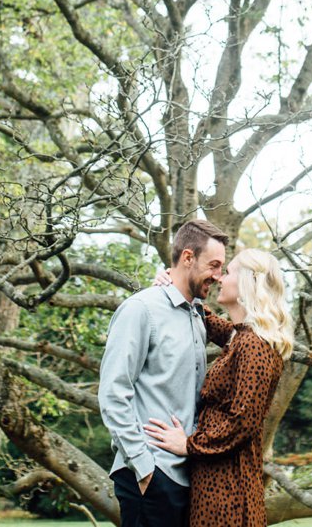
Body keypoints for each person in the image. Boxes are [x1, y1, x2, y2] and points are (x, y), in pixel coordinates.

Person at [143, 248, 294, 527]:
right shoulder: (243, 338)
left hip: (228, 491)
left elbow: (242, 423)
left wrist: (188, 444)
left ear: (249, 283)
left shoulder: (254, 346)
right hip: (218, 480)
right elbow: (214, 325)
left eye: (229, 272)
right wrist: (175, 284)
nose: (220, 278)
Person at [98, 220, 229, 527]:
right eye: (213, 265)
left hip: (189, 477)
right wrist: (144, 467)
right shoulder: (141, 309)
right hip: (152, 476)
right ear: (187, 257)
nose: (218, 276)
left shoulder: (197, 315)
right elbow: (113, 392)